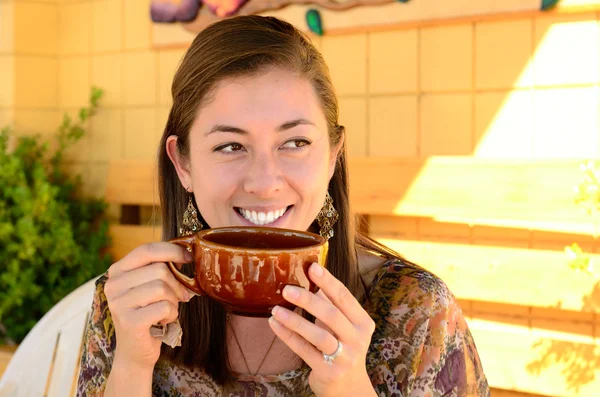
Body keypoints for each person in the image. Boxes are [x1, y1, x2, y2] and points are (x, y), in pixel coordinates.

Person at [76, 15, 490, 397]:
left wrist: (349, 387)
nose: (265, 183)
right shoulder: (130, 307)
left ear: (332, 157)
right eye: (230, 146)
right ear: (183, 163)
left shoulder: (417, 311)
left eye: (295, 143)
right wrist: (131, 365)